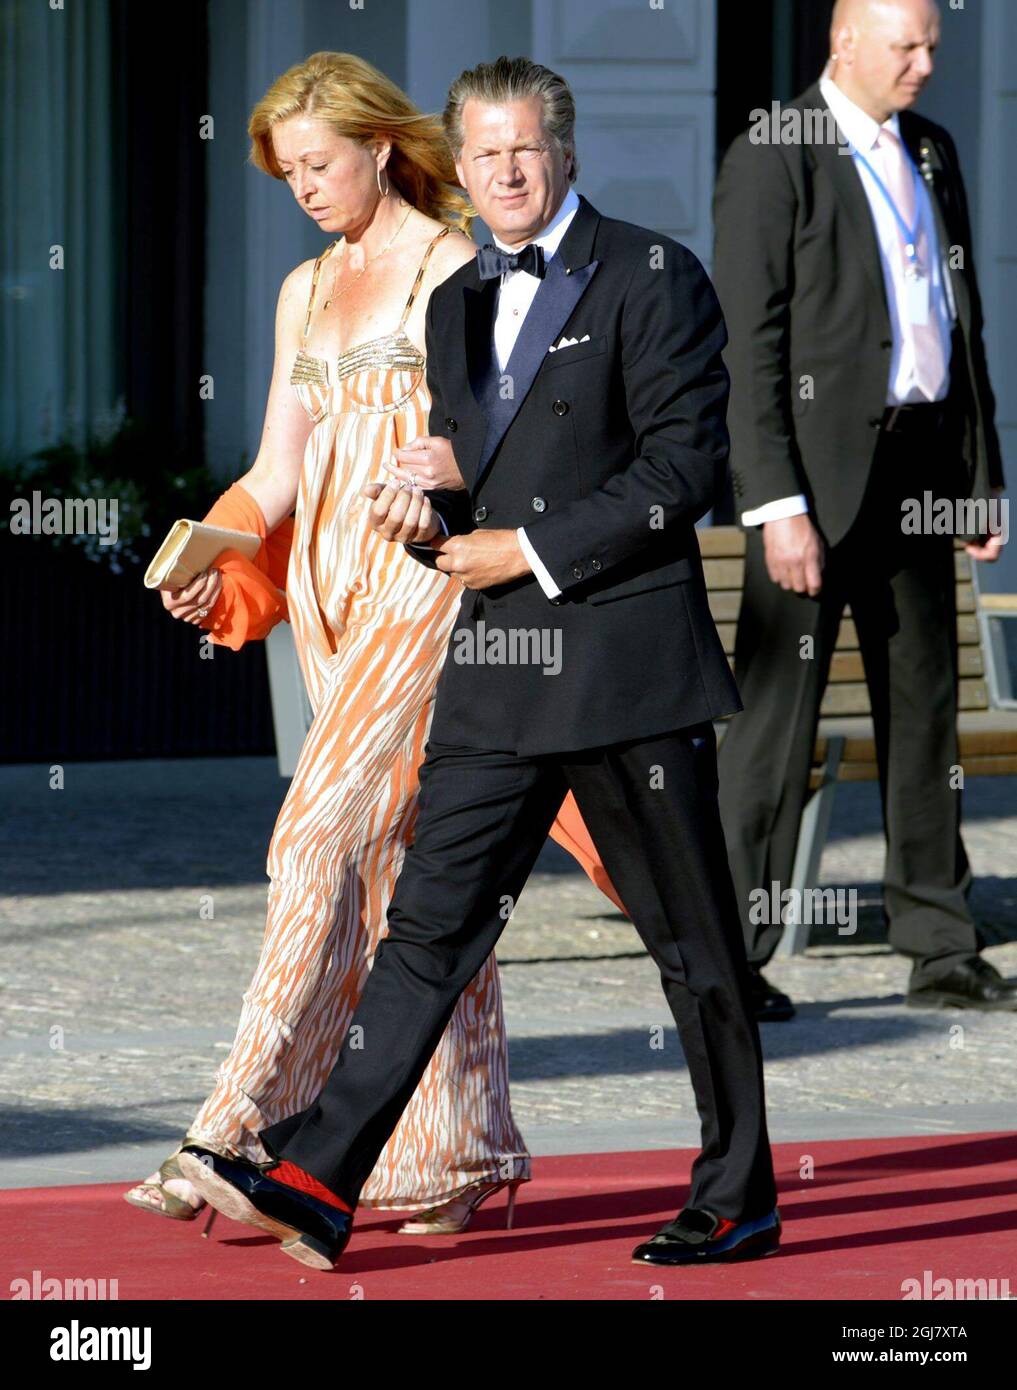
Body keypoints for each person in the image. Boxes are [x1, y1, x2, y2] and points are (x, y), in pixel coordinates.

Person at [179, 54, 780, 1273]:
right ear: (462, 159)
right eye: (485, 152)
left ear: (563, 153)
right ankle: (316, 1178)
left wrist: (530, 544)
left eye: (525, 149)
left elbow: (686, 478)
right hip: (498, 667)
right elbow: (472, 467)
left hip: (626, 671)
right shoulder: (457, 305)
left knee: (694, 947)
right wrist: (436, 521)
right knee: (426, 932)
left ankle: (740, 1190)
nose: (505, 172)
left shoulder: (655, 275)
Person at [125, 50, 624, 1239]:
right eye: (285, 170)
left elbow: (518, 441)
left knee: (312, 840)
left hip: (428, 595)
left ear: (381, 147)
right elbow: (276, 472)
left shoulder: (457, 264)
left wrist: (447, 482)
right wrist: (211, 559)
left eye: (319, 162)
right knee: (413, 871)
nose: (302, 185)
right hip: (330, 597)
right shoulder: (302, 290)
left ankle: (236, 1128)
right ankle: (453, 1151)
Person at [712, 0, 1013, 1020]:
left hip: (923, 467)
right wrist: (776, 503)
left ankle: (938, 940)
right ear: (845, 40)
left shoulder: (931, 148)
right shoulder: (775, 152)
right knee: (771, 731)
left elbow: (960, 321)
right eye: (908, 47)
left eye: (934, 46)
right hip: (814, 480)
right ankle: (731, 956)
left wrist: (981, 474)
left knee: (925, 715)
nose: (926, 64)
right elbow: (746, 348)